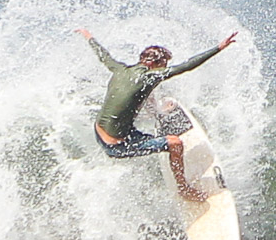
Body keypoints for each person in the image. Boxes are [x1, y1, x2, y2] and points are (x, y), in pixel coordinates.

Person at [76, 28, 237, 200]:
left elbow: (103, 55)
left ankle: (157, 114)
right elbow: (187, 66)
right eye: (164, 66)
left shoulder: (120, 69)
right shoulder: (150, 76)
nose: (164, 70)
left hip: (100, 131)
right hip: (116, 145)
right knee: (175, 143)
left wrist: (88, 36)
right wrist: (218, 47)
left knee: (145, 94)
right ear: (155, 65)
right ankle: (184, 189)